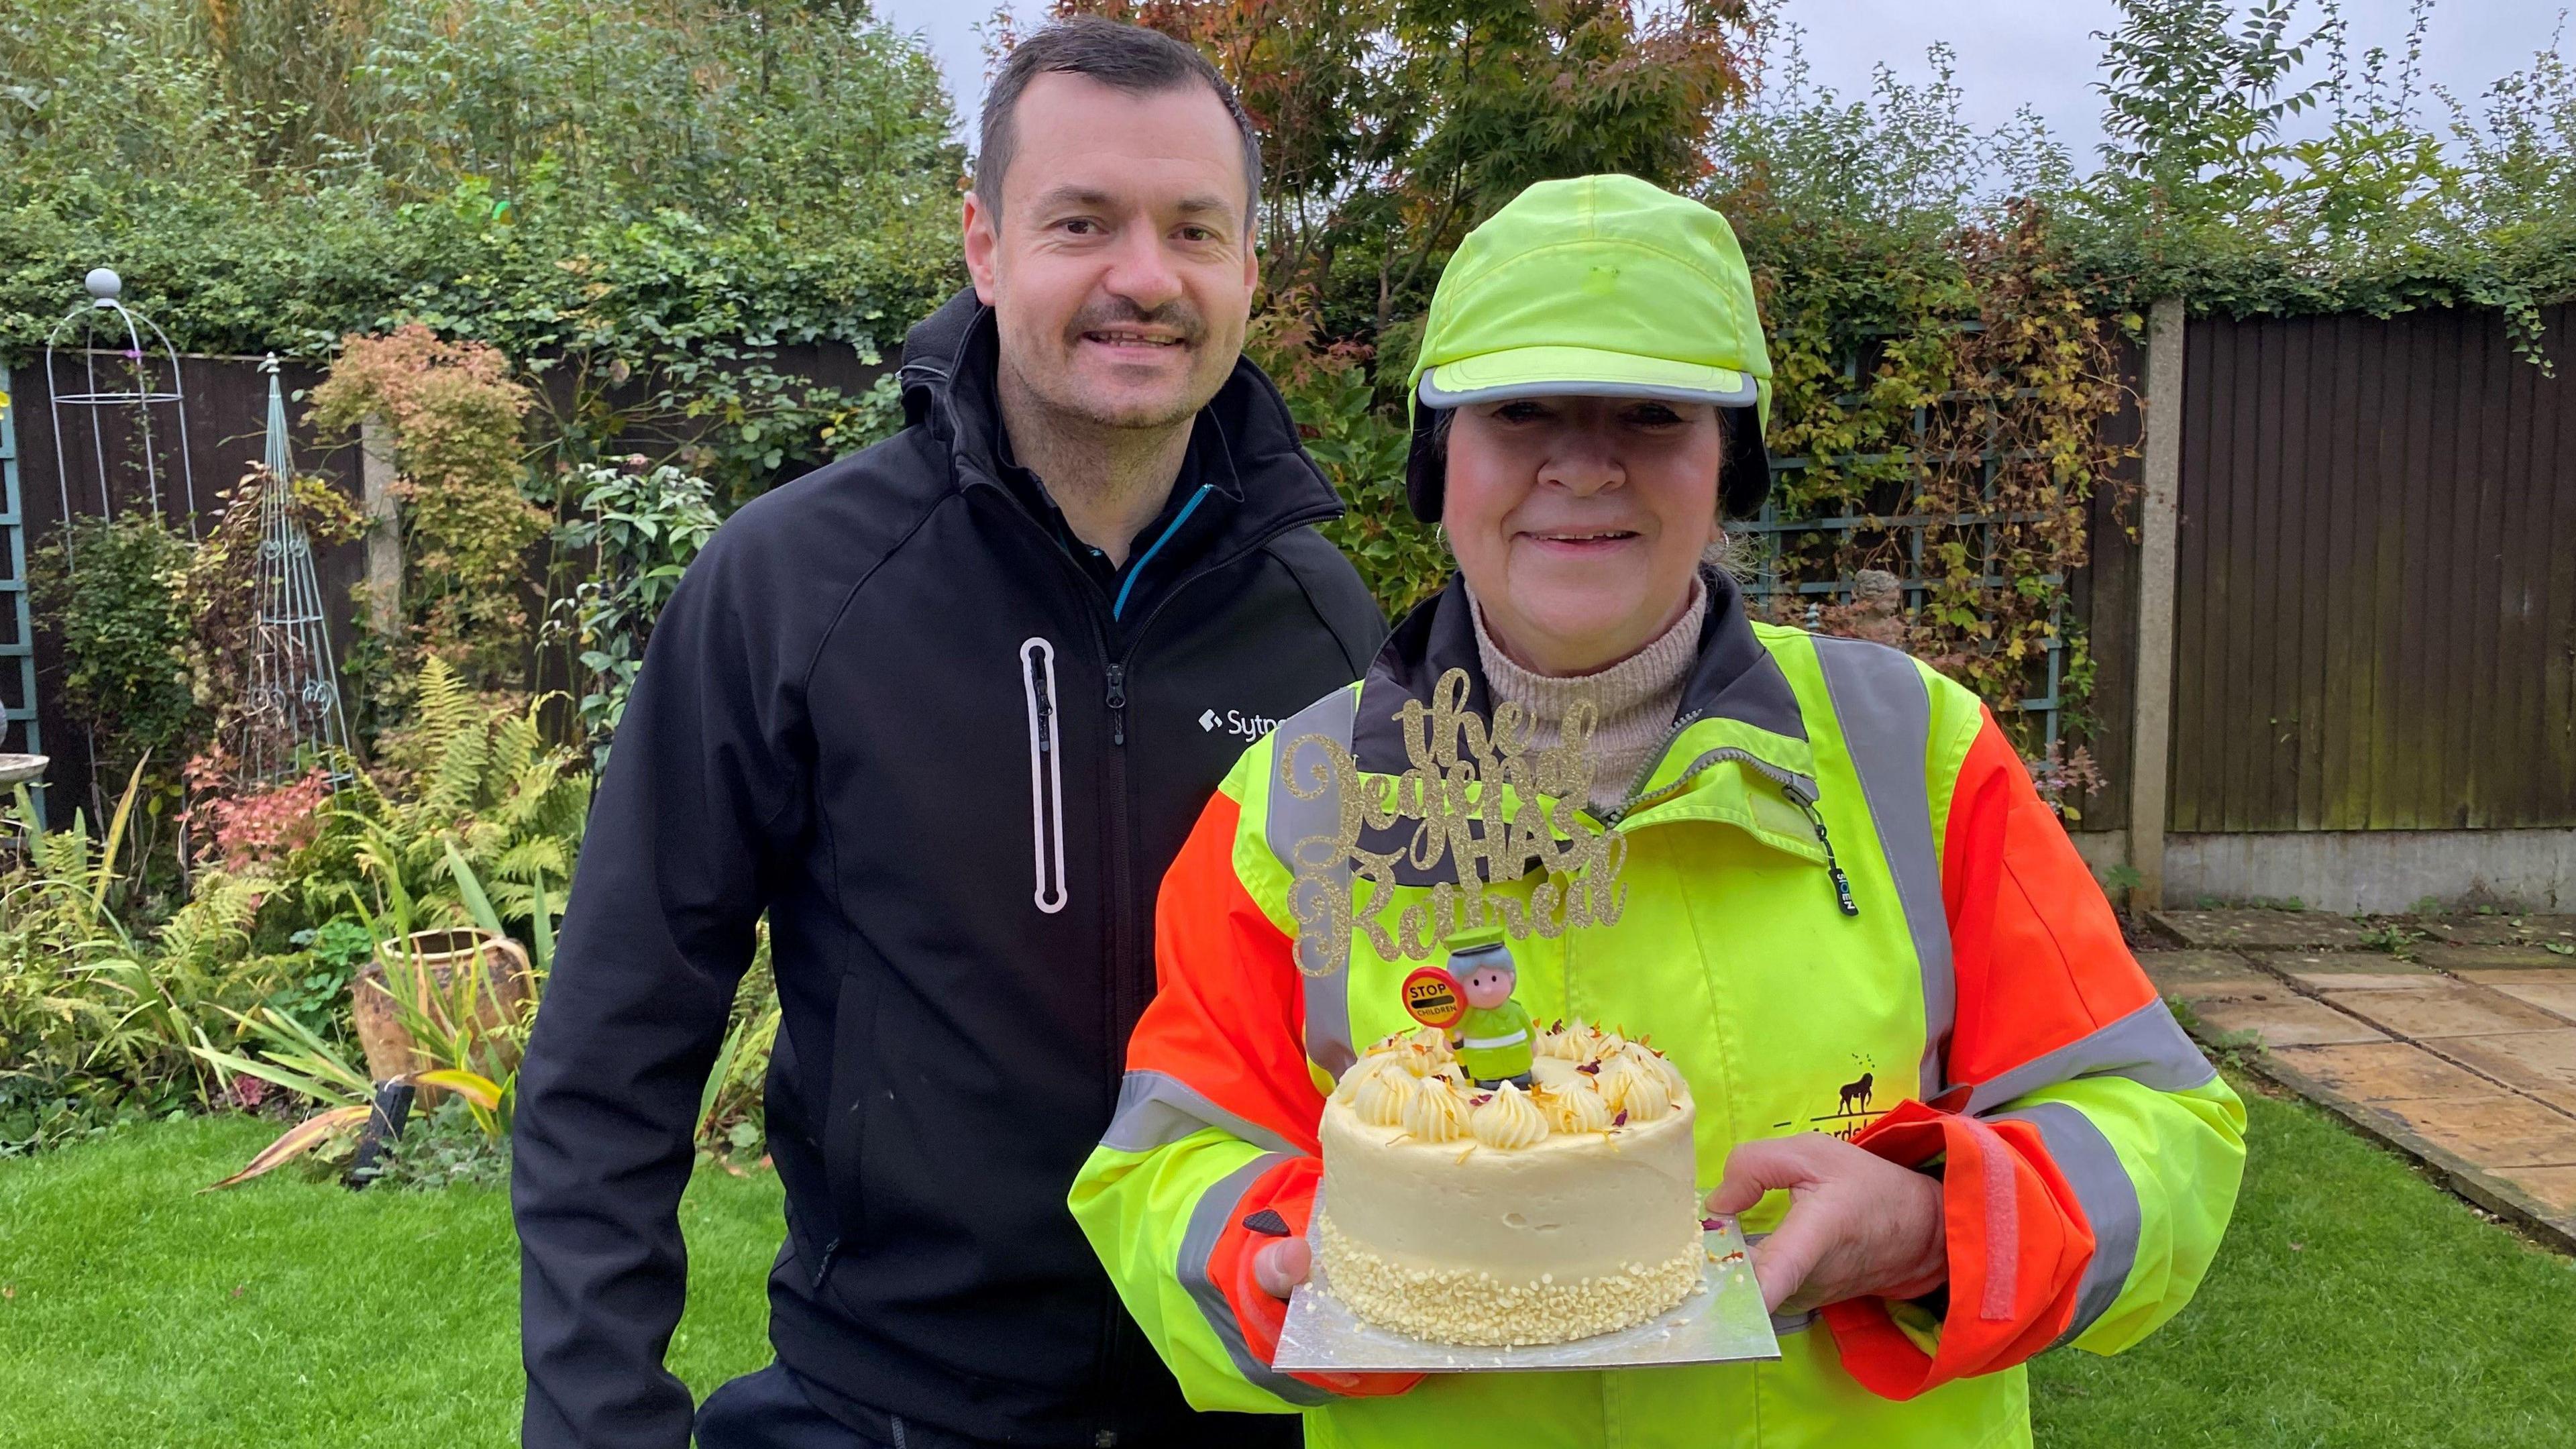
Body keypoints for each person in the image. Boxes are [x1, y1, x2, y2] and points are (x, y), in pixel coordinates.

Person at [1070, 174, 2245, 1446]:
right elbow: (1168, 1169)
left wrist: (1928, 1230)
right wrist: (1288, 1265)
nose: (1583, 466)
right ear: (1439, 460)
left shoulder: (1918, 751)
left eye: (1650, 413)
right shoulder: (1295, 805)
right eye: (1518, 411)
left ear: (1723, 465)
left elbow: (2156, 1129)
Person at [511, 19, 1383, 1449]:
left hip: (1246, 1391)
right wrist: (601, 1423)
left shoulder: (1321, 621)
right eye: (1081, 223)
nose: (1143, 279)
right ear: (983, 246)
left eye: (1193, 230)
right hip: (897, 1407)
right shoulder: (795, 586)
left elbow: (1393, 1020)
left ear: (1248, 273)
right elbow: (615, 1050)